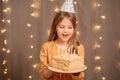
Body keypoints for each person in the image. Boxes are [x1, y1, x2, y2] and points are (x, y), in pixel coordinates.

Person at [39, 0, 86, 80]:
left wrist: (76, 72)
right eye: (61, 27)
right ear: (55, 27)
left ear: (74, 29)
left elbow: (80, 78)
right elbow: (44, 76)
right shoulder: (46, 47)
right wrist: (51, 67)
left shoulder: (78, 48)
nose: (66, 31)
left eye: (70, 27)